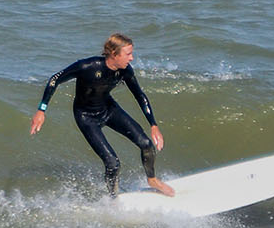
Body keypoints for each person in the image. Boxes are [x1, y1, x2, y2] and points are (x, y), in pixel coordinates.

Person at [29, 33, 174, 197]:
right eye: (128, 54)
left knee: (146, 144)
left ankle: (152, 180)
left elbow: (139, 95)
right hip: (86, 117)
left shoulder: (125, 71)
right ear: (114, 54)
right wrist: (41, 110)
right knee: (113, 163)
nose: (132, 58)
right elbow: (55, 79)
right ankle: (113, 198)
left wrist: (153, 125)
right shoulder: (87, 67)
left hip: (109, 109)